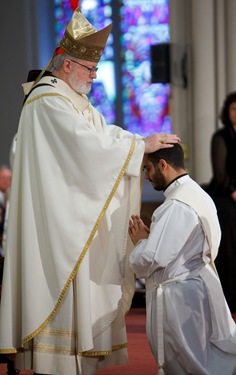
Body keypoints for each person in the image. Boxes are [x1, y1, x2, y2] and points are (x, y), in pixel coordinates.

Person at [0, 7, 180, 375]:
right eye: (89, 70)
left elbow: (104, 135)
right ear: (67, 65)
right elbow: (86, 148)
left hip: (72, 220)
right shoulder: (47, 101)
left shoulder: (73, 101)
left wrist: (139, 141)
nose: (95, 77)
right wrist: (138, 148)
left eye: (96, 70)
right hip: (58, 228)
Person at [129, 143, 236, 375]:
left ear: (163, 165)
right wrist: (154, 239)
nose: (146, 176)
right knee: (207, 358)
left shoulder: (176, 205)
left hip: (179, 298)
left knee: (193, 366)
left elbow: (149, 260)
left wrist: (140, 242)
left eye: (147, 169)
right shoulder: (198, 194)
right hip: (196, 287)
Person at [207, 91, 236, 313]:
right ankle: (229, 302)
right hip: (226, 197)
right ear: (227, 112)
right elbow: (220, 173)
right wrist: (233, 190)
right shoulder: (221, 137)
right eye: (234, 108)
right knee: (229, 251)